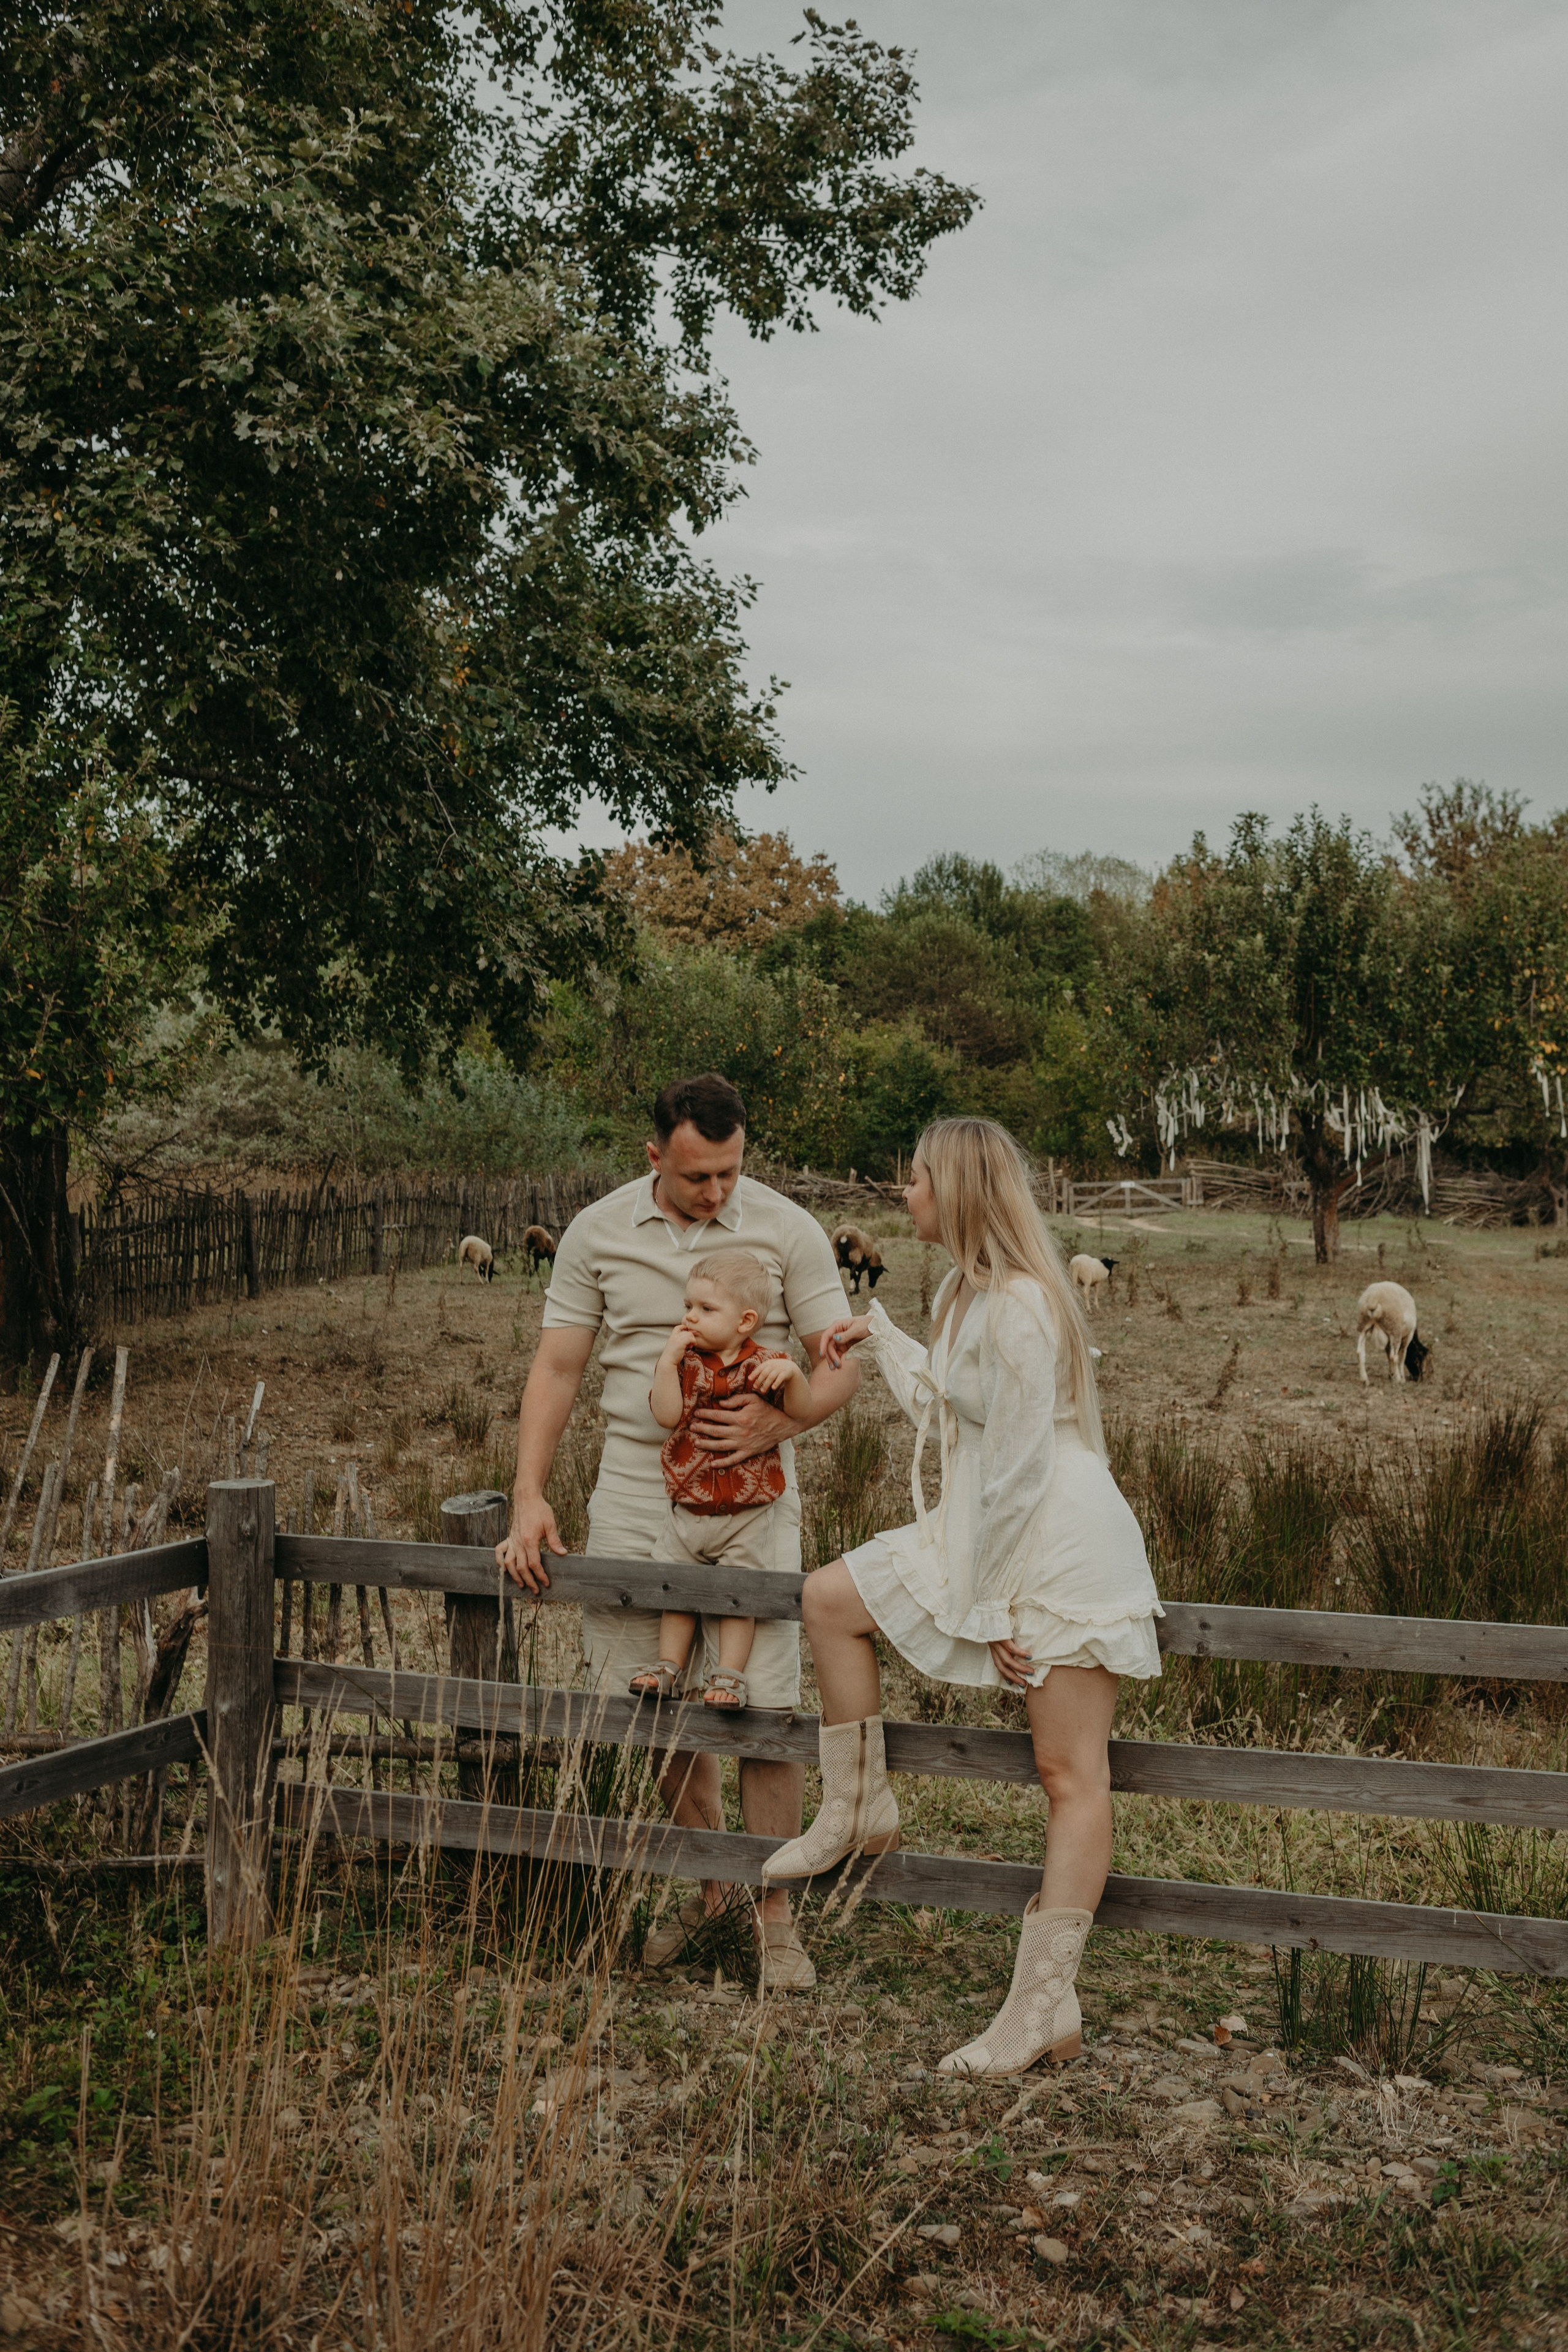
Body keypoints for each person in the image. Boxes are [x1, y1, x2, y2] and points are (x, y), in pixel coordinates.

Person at [762, 1116, 1163, 2073]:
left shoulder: (1024, 1303)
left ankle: (1040, 2009)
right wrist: (888, 1336)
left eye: (917, 1181)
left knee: (1070, 1776)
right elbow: (954, 1416)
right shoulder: (959, 1293)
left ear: (961, 1192)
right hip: (989, 1521)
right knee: (829, 1599)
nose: (904, 1195)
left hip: (1056, 1542)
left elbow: (1023, 1463)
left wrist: (990, 1609)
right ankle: (858, 1805)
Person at [496, 1071, 859, 1990]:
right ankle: (711, 1891)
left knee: (765, 1702)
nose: (718, 1192)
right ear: (655, 1155)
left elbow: (843, 1360)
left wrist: (786, 1422)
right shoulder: (597, 1230)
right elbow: (558, 1367)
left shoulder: (788, 1229)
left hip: (752, 1492)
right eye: (698, 1176)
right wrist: (529, 1493)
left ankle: (775, 1913)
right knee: (646, 1697)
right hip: (633, 1487)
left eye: (732, 1172)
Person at [635, 1250, 812, 1710]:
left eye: (706, 1310)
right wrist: (665, 1363)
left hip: (746, 1511)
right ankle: (668, 1667)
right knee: (677, 1586)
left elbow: (801, 1410)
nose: (690, 1317)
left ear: (745, 1320)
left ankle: (729, 1676)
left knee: (739, 1594)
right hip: (689, 1505)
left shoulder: (767, 1364)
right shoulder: (686, 1361)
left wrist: (793, 1375)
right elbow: (666, 1415)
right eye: (688, 1307)